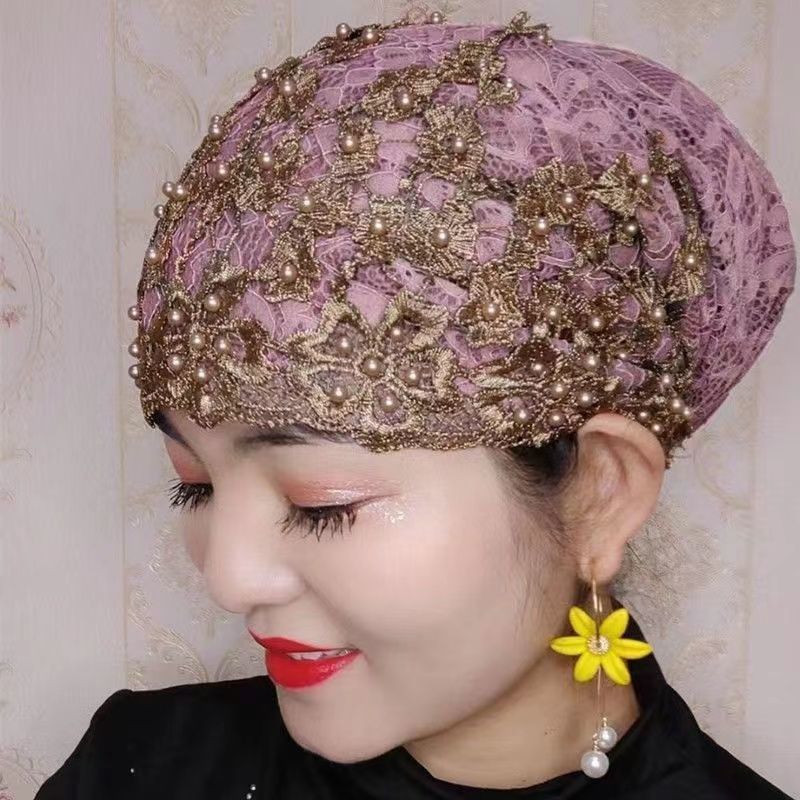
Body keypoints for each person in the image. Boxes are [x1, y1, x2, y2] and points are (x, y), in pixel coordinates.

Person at [36, 9, 796, 799]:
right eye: (194, 485)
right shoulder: (141, 771)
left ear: (601, 496)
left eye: (321, 504)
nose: (229, 578)